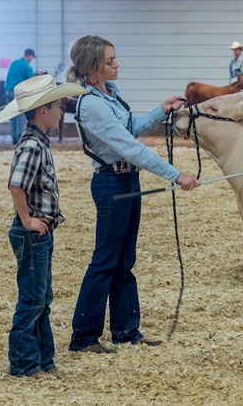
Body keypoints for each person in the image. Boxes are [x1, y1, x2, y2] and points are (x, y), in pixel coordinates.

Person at [65, 35, 200, 354]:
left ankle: (125, 330)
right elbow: (129, 147)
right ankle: (83, 336)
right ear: (93, 67)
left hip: (128, 181)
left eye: (115, 58)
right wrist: (175, 174)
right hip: (110, 183)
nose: (117, 64)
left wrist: (160, 110)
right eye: (110, 61)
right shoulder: (91, 104)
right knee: (105, 260)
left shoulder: (110, 92)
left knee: (124, 258)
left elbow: (131, 128)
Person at [0, 74, 88, 378]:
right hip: (31, 232)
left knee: (42, 298)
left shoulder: (37, 141)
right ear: (43, 111)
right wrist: (26, 219)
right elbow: (16, 185)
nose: (62, 110)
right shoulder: (33, 146)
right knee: (33, 300)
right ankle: (24, 365)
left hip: (38, 232)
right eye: (58, 106)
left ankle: (43, 361)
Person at [4, 48, 37, 144]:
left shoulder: (14, 63)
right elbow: (31, 82)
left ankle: (14, 138)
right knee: (20, 116)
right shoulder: (27, 67)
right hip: (19, 93)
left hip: (8, 91)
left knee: (12, 115)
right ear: (30, 56)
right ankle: (20, 137)